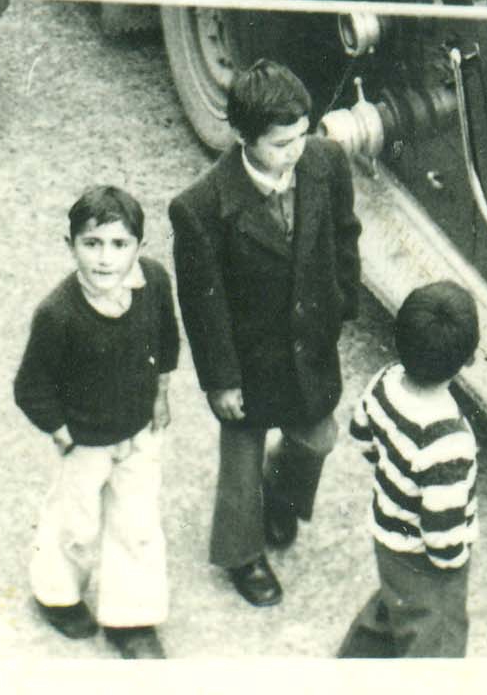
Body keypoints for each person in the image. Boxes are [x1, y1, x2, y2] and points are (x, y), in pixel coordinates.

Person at [172, 62, 363, 610]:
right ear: (242, 137)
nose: (297, 150)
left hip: (308, 344)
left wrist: (342, 301)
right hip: (248, 359)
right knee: (241, 463)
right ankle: (242, 553)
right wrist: (221, 380)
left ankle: (281, 498)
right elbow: (202, 304)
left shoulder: (325, 162)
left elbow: (344, 235)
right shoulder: (202, 207)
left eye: (302, 135)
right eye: (281, 143)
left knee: (317, 436)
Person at [15, 181, 183, 660]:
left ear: (139, 247)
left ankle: (131, 619)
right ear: (70, 245)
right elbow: (30, 386)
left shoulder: (153, 282)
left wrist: (161, 393)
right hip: (85, 442)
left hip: (138, 431)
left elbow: (166, 340)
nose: (105, 258)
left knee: (137, 522)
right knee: (76, 524)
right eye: (91, 244)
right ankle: (58, 594)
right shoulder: (58, 314)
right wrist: (63, 431)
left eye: (119, 244)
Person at [337, 281, 481, 661]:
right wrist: (454, 561)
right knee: (435, 640)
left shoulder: (385, 380)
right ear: (467, 359)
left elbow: (360, 432)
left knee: (392, 603)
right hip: (428, 563)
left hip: (387, 535)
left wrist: (392, 471)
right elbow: (441, 531)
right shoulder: (449, 439)